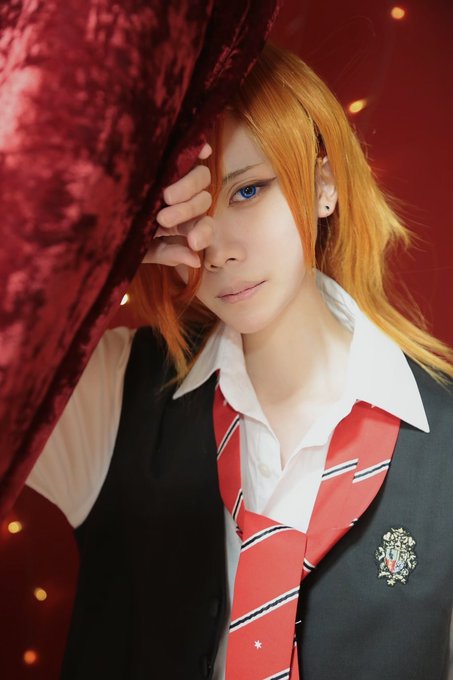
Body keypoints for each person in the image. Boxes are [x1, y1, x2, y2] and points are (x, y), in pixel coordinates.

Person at [26, 42, 453, 679]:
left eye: (248, 191)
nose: (217, 248)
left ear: (324, 185)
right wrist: (95, 245)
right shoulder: (114, 391)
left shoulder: (444, 436)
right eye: (187, 215)